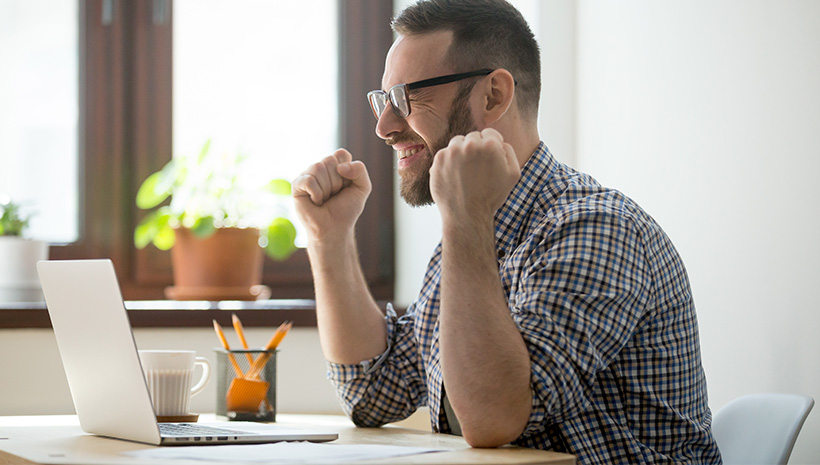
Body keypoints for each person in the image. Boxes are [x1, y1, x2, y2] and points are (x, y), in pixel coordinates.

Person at [292, 0, 722, 463]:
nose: (384, 126)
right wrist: (329, 238)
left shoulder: (596, 228)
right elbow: (373, 393)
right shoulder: (471, 239)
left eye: (405, 97)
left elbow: (494, 419)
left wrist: (465, 220)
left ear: (493, 96)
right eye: (383, 101)